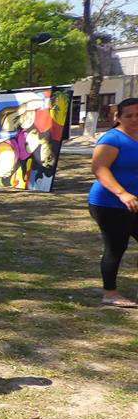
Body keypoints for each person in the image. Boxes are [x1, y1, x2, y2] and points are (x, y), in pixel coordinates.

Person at [88, 97, 138, 308]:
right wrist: (122, 193)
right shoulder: (112, 139)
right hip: (110, 203)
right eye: (129, 115)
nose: (134, 119)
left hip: (134, 202)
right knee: (116, 247)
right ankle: (110, 293)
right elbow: (100, 168)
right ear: (118, 117)